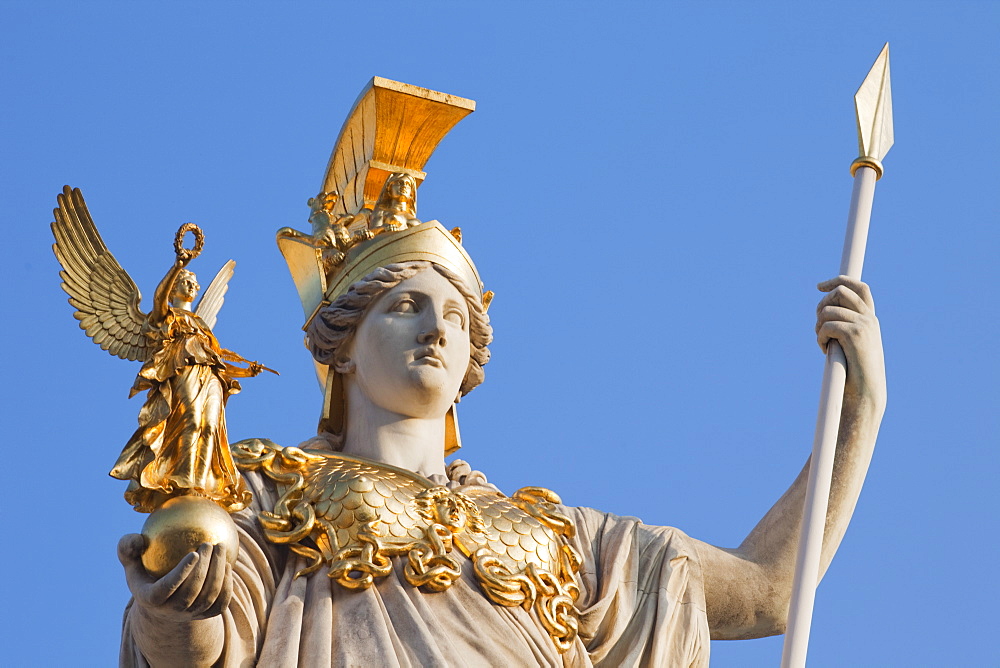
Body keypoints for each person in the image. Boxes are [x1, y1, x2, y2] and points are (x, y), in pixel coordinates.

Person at [116, 238, 885, 665]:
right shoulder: (270, 485)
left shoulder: (565, 540)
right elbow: (202, 649)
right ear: (341, 349)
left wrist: (862, 413)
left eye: (454, 314)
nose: (436, 328)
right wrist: (173, 610)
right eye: (405, 306)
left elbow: (771, 590)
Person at [110, 254, 264, 514]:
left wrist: (246, 371)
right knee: (191, 421)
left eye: (195, 282)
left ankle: (202, 486)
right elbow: (158, 299)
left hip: (211, 376)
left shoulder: (202, 326)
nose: (193, 285)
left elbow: (217, 358)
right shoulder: (167, 317)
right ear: (174, 288)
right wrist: (178, 266)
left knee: (210, 428)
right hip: (184, 371)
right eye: (186, 281)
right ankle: (181, 479)